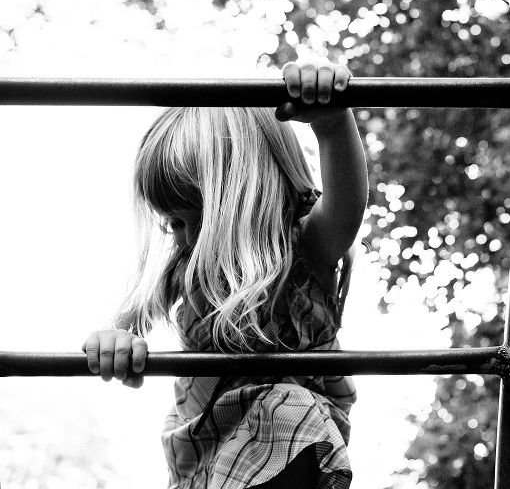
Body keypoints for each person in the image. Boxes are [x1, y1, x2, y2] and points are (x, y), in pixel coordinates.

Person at [82, 57, 367, 489]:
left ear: (245, 199)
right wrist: (113, 339)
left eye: (196, 219)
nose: (183, 239)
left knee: (286, 408)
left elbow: (348, 207)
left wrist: (331, 126)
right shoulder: (184, 266)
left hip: (290, 442)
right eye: (173, 223)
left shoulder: (304, 247)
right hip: (205, 444)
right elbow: (122, 323)